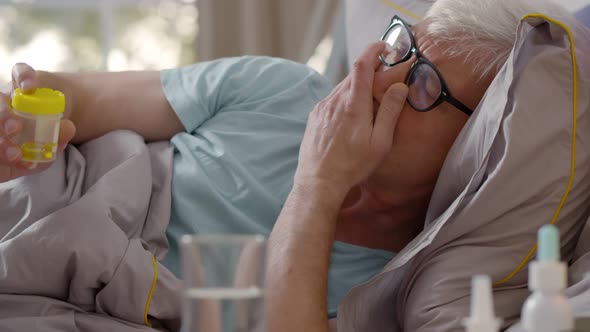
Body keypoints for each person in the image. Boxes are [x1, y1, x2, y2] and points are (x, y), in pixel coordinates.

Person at [0, 0, 568, 330]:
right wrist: (35, 110)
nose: (380, 76)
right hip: (52, 196)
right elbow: (83, 99)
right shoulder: (280, 88)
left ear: (472, 153)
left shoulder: (387, 292)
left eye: (423, 85)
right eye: (402, 48)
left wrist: (319, 183)